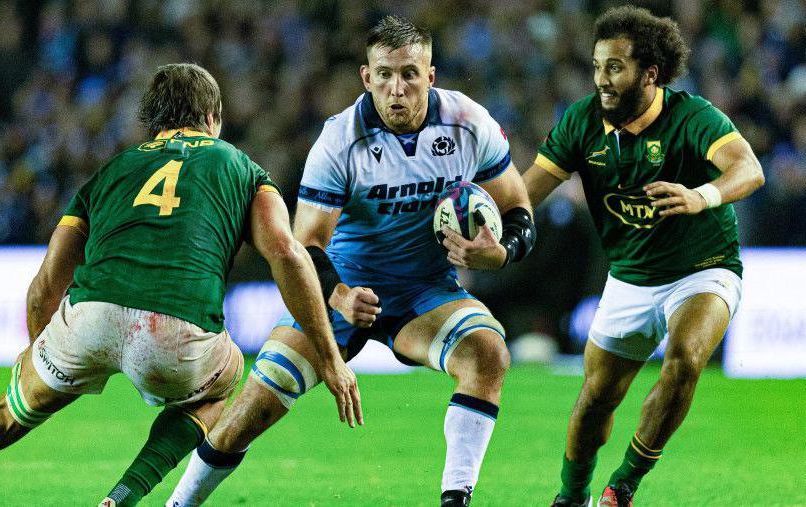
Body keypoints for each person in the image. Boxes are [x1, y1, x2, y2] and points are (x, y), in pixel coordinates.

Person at [0, 63, 360, 507]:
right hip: (176, 332)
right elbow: (286, 252)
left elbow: (46, 284)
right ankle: (122, 496)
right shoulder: (243, 169)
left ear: (151, 121)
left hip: (88, 317)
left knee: (5, 415)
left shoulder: (109, 172)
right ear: (213, 118)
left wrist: (42, 360)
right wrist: (329, 356)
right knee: (221, 386)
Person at [166, 16, 535, 507]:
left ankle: (455, 500)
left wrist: (501, 251)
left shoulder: (469, 123)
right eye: (384, 75)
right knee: (249, 415)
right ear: (367, 77)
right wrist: (340, 295)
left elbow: (518, 207)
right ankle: (179, 503)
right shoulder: (340, 140)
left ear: (431, 75)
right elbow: (305, 245)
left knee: (488, 354)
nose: (396, 89)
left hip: (424, 292)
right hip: (337, 292)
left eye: (408, 74)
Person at [521, 7, 765, 507]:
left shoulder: (692, 117)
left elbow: (749, 169)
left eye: (615, 67)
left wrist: (703, 196)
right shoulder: (582, 121)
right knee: (595, 400)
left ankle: (623, 485)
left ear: (649, 74)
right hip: (630, 277)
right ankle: (571, 498)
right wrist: (492, 228)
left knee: (684, 361)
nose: (602, 80)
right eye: (596, 66)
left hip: (704, 268)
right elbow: (526, 192)